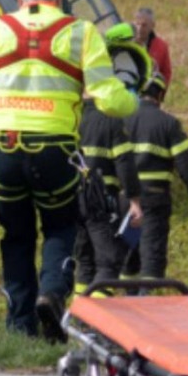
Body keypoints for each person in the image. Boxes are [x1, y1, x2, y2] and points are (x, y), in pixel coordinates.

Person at [0, 0, 136, 343]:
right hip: (55, 153)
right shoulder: (81, 33)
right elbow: (109, 99)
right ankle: (53, 294)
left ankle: (19, 325)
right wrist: (132, 102)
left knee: (16, 235)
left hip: (1, 152)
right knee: (61, 226)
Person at [72, 36, 152, 296]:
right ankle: (94, 318)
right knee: (109, 262)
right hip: (102, 200)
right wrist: (135, 201)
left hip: (73, 198)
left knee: (84, 261)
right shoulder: (113, 120)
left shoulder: (72, 116)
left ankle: (78, 315)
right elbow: (125, 164)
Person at [121, 71, 188, 282]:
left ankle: (125, 305)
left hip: (125, 197)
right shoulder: (169, 123)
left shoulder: (122, 120)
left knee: (127, 257)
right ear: (161, 94)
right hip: (154, 199)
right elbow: (186, 165)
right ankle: (146, 306)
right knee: (152, 258)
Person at [132, 7, 172, 88]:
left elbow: (166, 74)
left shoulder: (161, 46)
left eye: (144, 25)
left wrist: (158, 93)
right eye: (137, 24)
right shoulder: (126, 43)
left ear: (152, 25)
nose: (139, 29)